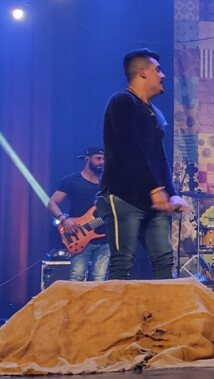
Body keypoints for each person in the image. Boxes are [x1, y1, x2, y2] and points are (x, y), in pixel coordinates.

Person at [96, 48, 189, 280]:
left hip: (152, 202)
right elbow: (131, 148)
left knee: (164, 258)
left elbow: (159, 156)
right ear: (142, 73)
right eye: (158, 69)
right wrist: (155, 188)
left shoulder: (155, 113)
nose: (163, 75)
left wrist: (172, 192)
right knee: (122, 260)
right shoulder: (122, 102)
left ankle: (165, 316)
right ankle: (114, 316)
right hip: (123, 196)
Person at [47, 146, 109, 281]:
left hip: (105, 238)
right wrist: (64, 219)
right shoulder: (71, 180)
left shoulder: (108, 184)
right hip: (79, 236)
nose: (102, 162)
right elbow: (52, 203)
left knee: (100, 279)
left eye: (104, 159)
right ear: (87, 159)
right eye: (98, 158)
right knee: (77, 277)